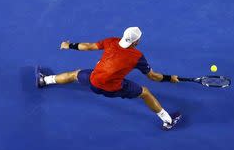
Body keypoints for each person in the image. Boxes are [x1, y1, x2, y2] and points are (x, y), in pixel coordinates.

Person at [36, 27, 182, 130]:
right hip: (113, 89)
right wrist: (170, 78)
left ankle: (44, 80)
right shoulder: (137, 57)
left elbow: (88, 46)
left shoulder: (111, 41)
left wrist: (69, 45)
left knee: (75, 74)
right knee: (145, 93)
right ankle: (168, 121)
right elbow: (153, 76)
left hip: (94, 81)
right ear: (135, 42)